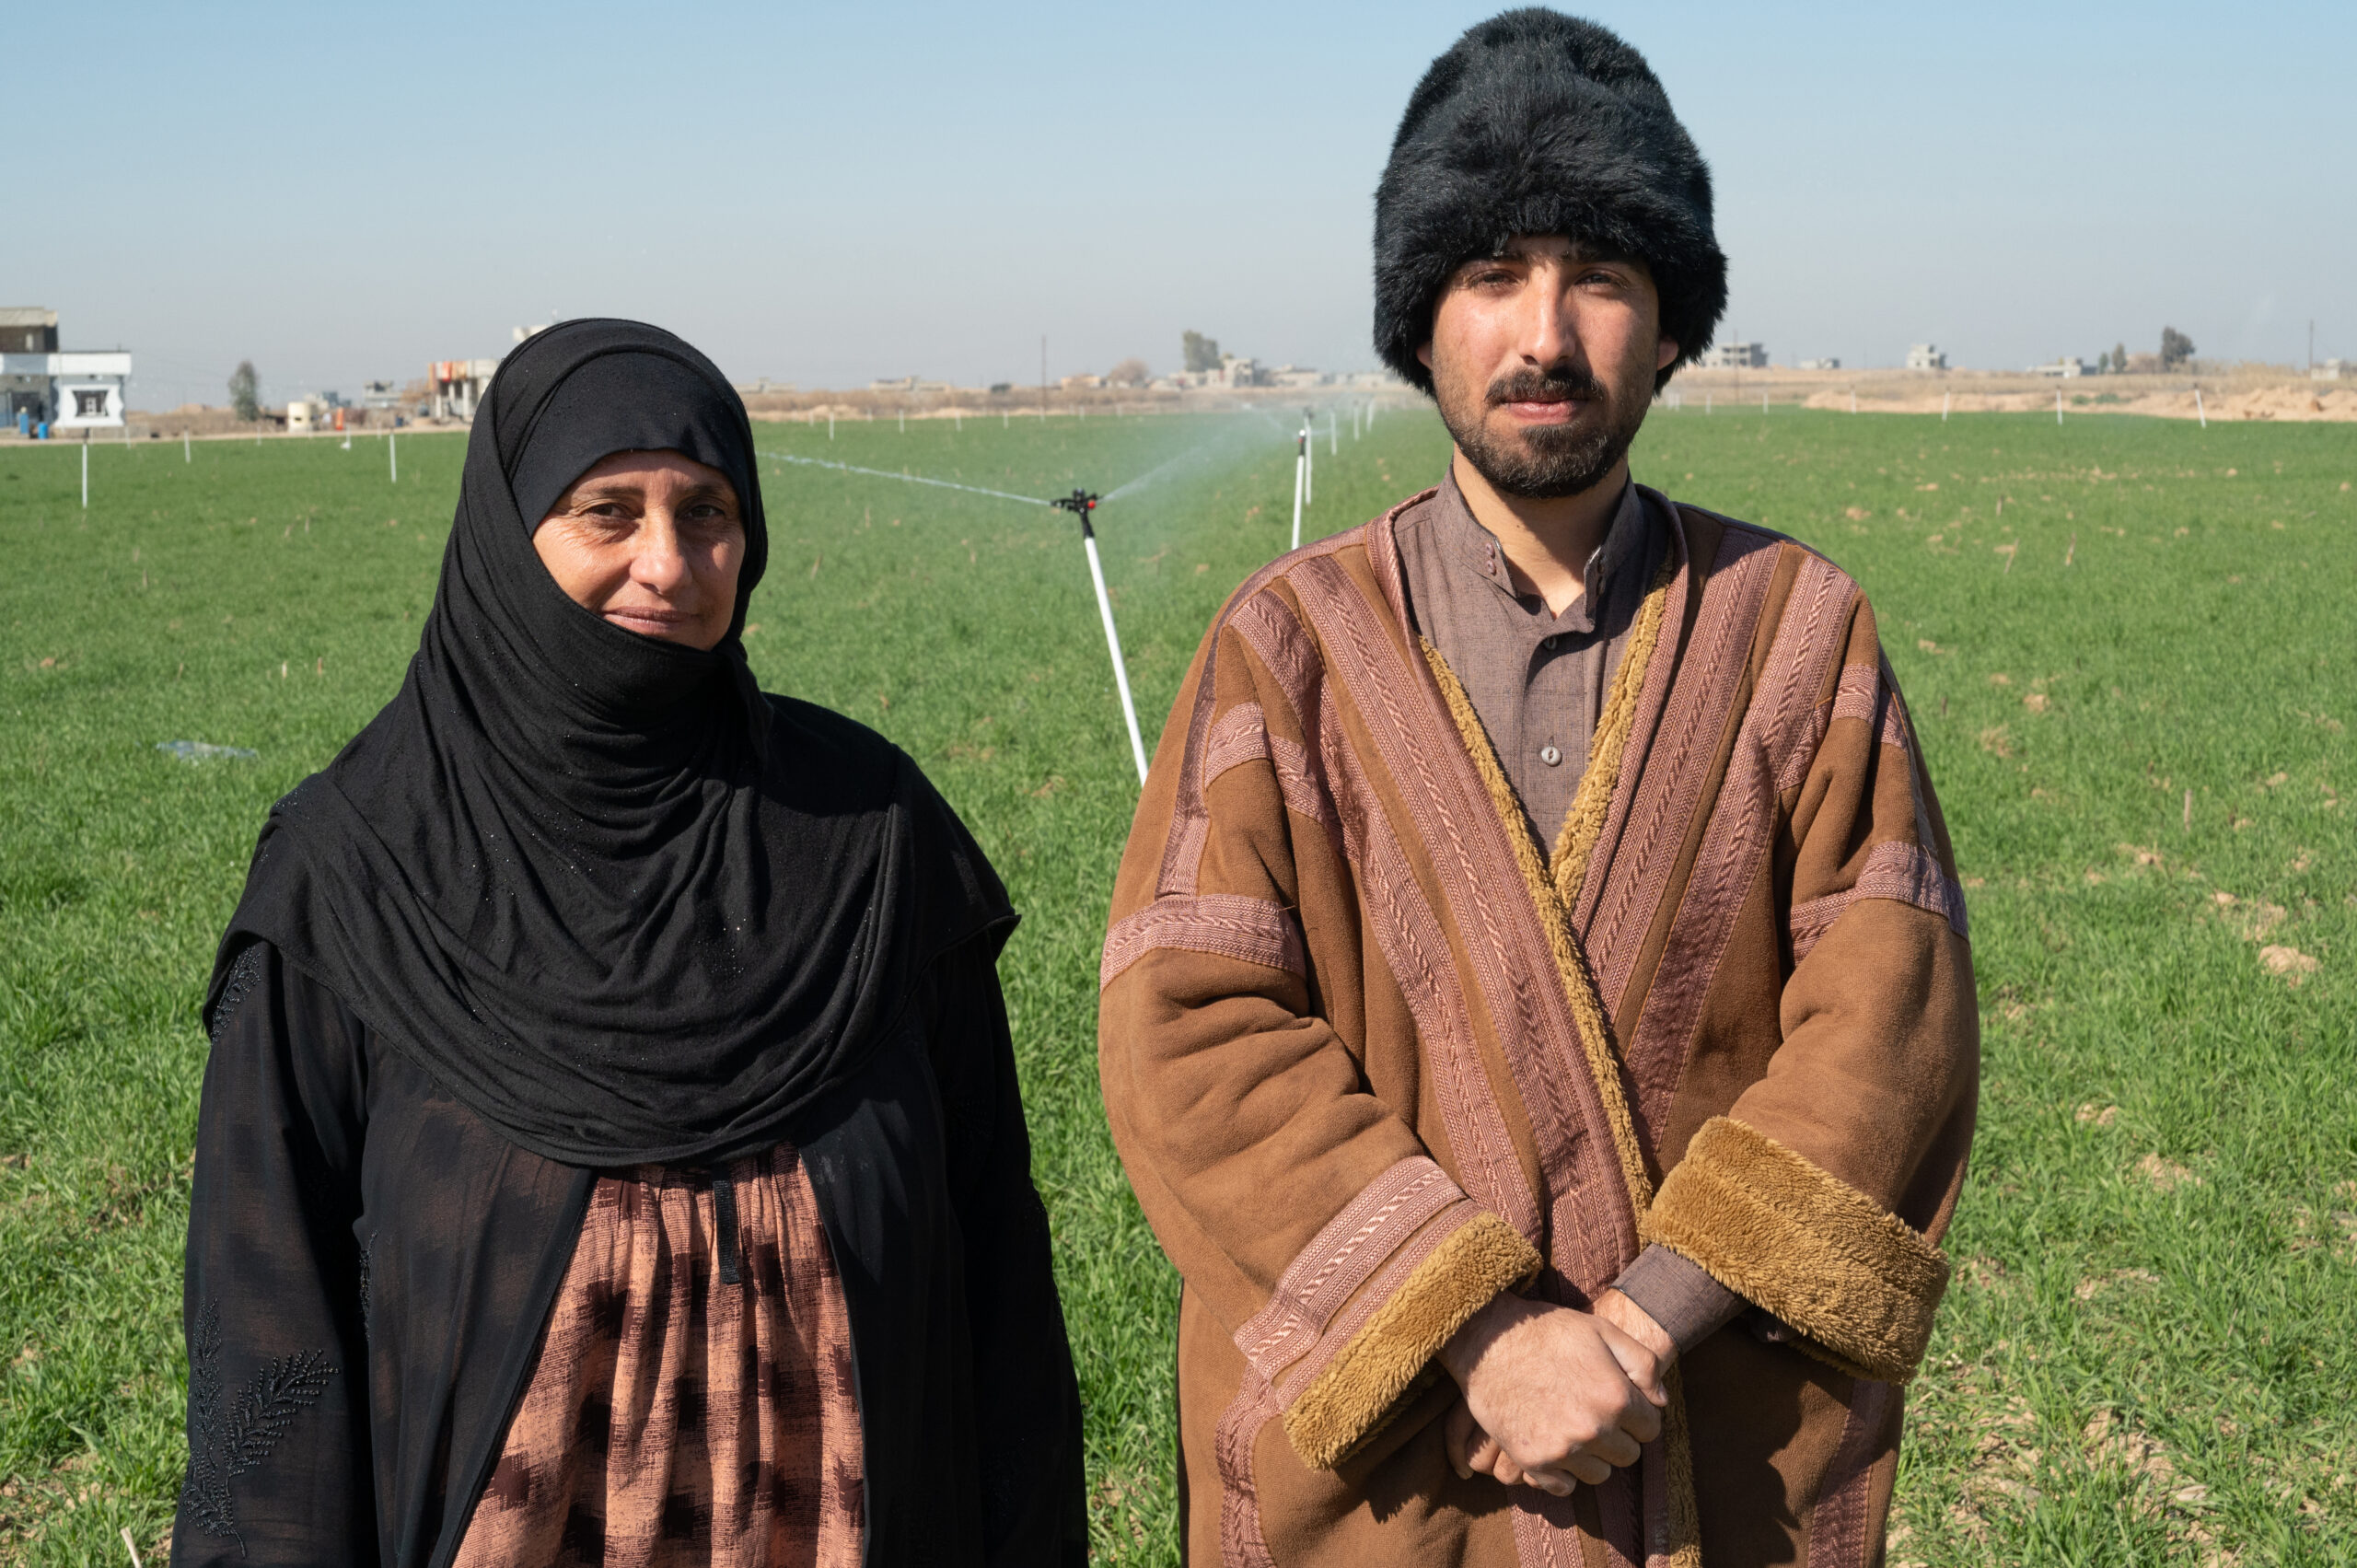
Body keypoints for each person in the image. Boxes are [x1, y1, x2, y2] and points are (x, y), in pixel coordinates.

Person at [1097, 12, 1978, 1564]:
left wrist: (1642, 1323)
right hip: (1393, 1477)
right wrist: (1487, 1329)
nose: (1545, 335)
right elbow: (1192, 1030)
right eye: (1493, 275)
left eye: (1605, 279)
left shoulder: (1799, 630)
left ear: (1674, 322)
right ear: (1419, 317)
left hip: (1712, 1442)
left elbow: (1885, 1012)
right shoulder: (1284, 647)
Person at [174, 319, 1086, 1568]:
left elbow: (998, 1280)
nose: (669, 564)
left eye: (706, 511)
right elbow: (267, 1339)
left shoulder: (869, 839)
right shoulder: (356, 875)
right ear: (508, 537)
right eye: (609, 513)